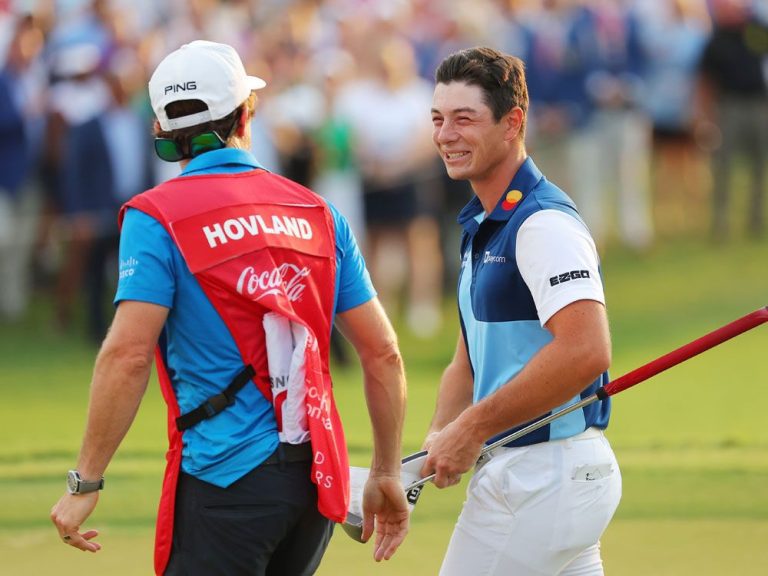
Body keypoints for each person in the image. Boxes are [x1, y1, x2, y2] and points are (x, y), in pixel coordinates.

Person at [50, 40, 409, 575]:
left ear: (162, 133)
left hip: (224, 476)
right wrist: (384, 471)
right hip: (315, 482)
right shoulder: (317, 212)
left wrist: (85, 481)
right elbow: (381, 353)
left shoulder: (156, 216)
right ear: (248, 112)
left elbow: (127, 354)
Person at [421, 47, 622, 575]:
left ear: (513, 123)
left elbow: (585, 349)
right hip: (547, 477)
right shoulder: (482, 226)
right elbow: (467, 363)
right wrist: (427, 457)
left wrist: (472, 428)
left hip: (542, 476)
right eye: (438, 119)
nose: (445, 135)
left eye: (465, 119)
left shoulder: (542, 224)